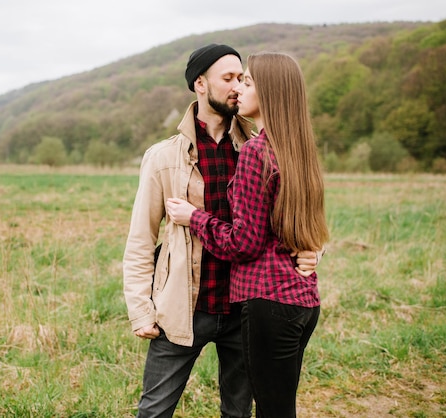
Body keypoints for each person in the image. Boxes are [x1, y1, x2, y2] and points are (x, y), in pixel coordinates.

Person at [123, 44, 320, 418]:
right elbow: (141, 239)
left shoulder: (259, 146)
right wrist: (140, 309)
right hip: (183, 307)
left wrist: (313, 251)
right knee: (154, 410)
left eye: (242, 79)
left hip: (245, 309)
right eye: (228, 79)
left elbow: (295, 212)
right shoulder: (164, 157)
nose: (237, 87)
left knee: (238, 413)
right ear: (200, 83)